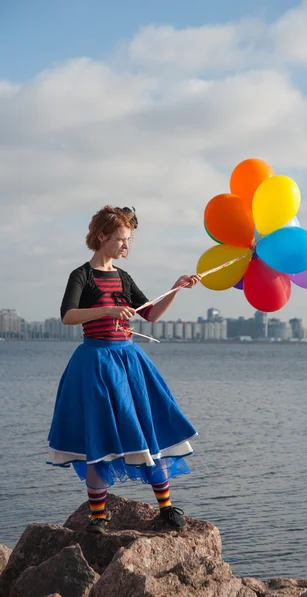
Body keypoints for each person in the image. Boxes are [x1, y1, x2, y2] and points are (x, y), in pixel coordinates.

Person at [47, 205, 201, 534]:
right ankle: (98, 517)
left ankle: (166, 508)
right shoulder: (83, 276)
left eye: (129, 240)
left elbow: (151, 314)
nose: (125, 246)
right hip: (96, 364)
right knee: (98, 435)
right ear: (102, 236)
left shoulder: (124, 277)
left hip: (129, 362)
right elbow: (68, 316)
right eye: (120, 239)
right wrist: (108, 310)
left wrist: (175, 288)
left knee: (147, 428)